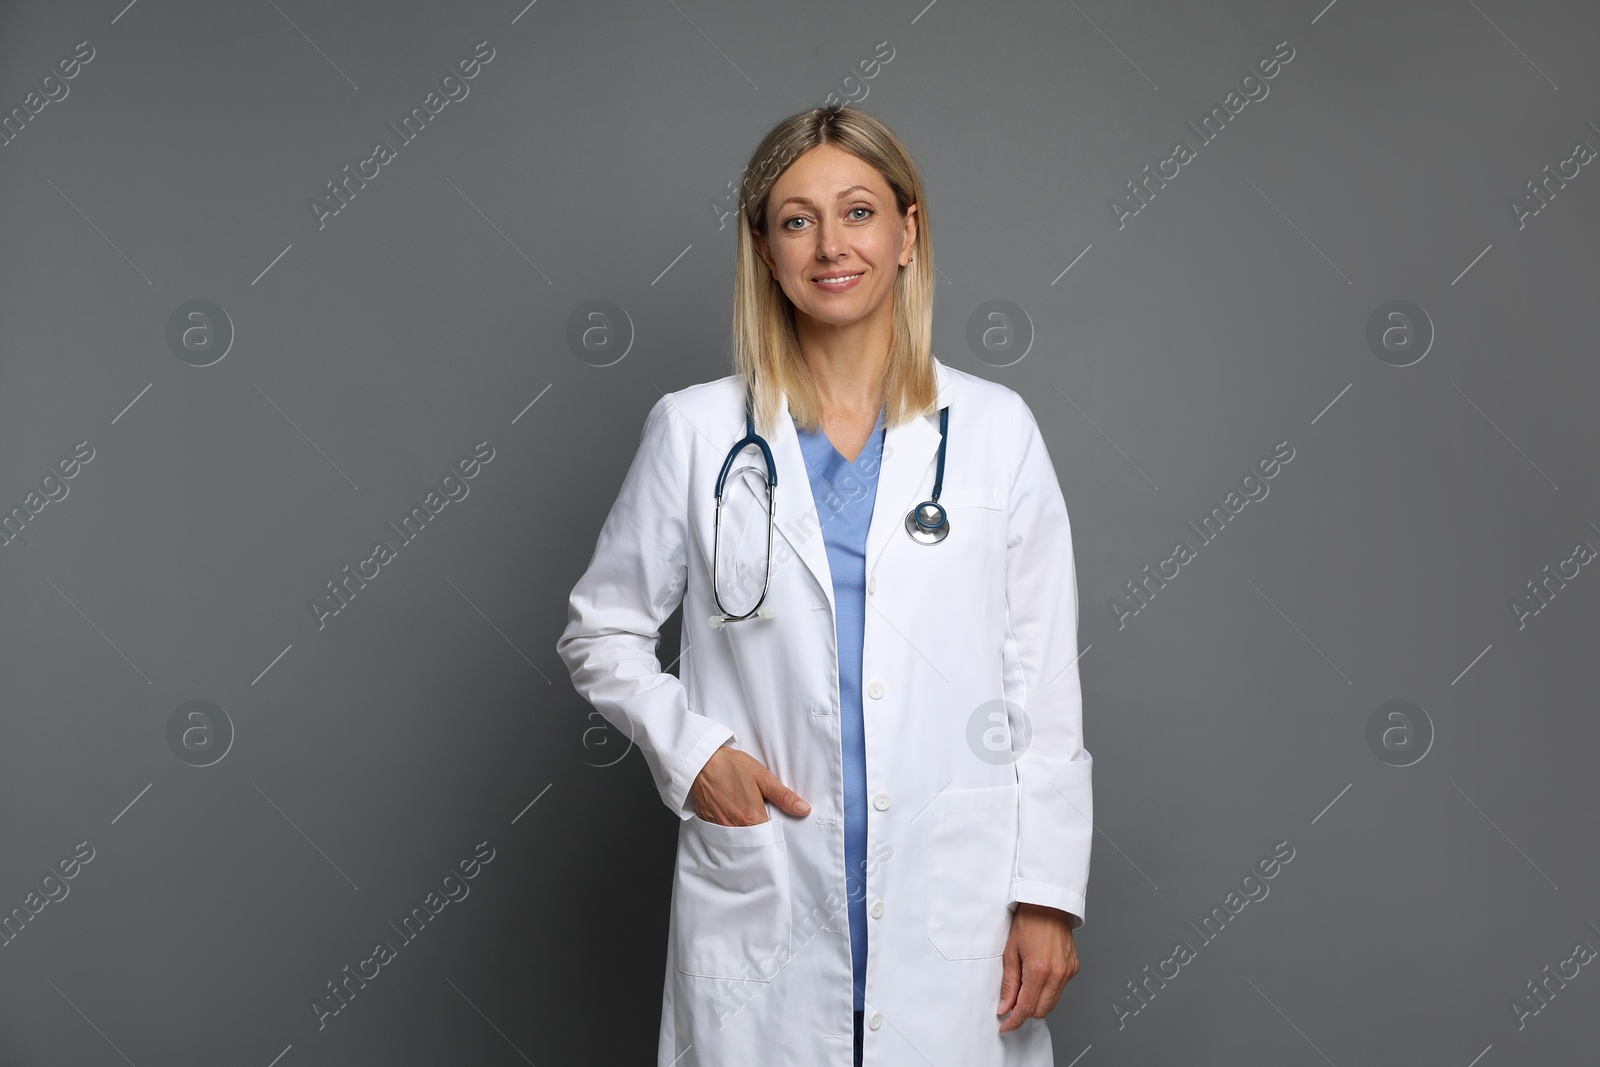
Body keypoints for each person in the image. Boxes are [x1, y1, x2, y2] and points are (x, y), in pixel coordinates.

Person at [557, 104, 1092, 1067]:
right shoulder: (696, 432)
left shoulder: (994, 430)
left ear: (907, 232)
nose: (830, 244)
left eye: (858, 211)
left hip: (951, 899)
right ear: (763, 248)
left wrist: (1047, 892)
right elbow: (601, 631)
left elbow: (1042, 684)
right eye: (796, 219)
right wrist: (696, 753)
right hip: (769, 888)